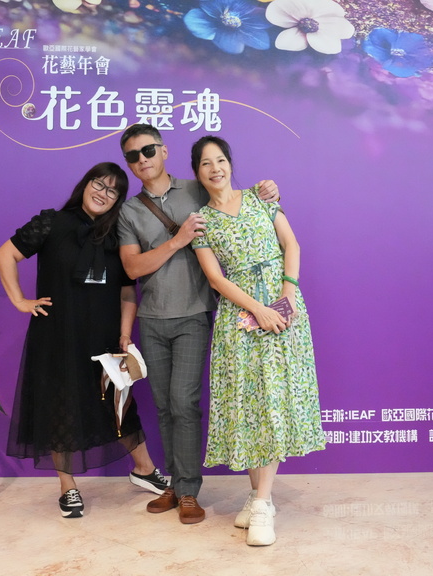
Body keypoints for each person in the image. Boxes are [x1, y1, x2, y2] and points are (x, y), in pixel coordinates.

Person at [116, 124, 279, 525]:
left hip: (193, 313)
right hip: (152, 317)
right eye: (133, 156)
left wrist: (267, 191)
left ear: (164, 151)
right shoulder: (130, 211)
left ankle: (188, 489)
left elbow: (237, 199)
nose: (142, 160)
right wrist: (177, 240)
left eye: (148, 150)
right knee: (164, 405)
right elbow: (132, 268)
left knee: (184, 402)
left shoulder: (196, 188)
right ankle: (174, 484)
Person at [0, 161, 169, 518]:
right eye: (99, 184)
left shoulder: (119, 235)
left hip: (104, 336)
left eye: (113, 191)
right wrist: (19, 300)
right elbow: (5, 254)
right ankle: (68, 487)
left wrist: (125, 334)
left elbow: (127, 292)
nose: (103, 194)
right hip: (56, 335)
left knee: (119, 405)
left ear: (118, 200)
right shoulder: (52, 222)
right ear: (86, 184)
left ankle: (144, 469)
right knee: (60, 407)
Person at [189, 136, 325, 546]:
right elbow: (215, 278)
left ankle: (263, 502)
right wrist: (257, 309)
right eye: (206, 163)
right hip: (239, 316)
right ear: (197, 172)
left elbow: (291, 244)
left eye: (221, 160)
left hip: (283, 309)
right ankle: (258, 496)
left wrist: (287, 294)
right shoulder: (200, 222)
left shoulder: (261, 197)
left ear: (230, 164)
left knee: (273, 399)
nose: (215, 169)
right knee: (248, 402)